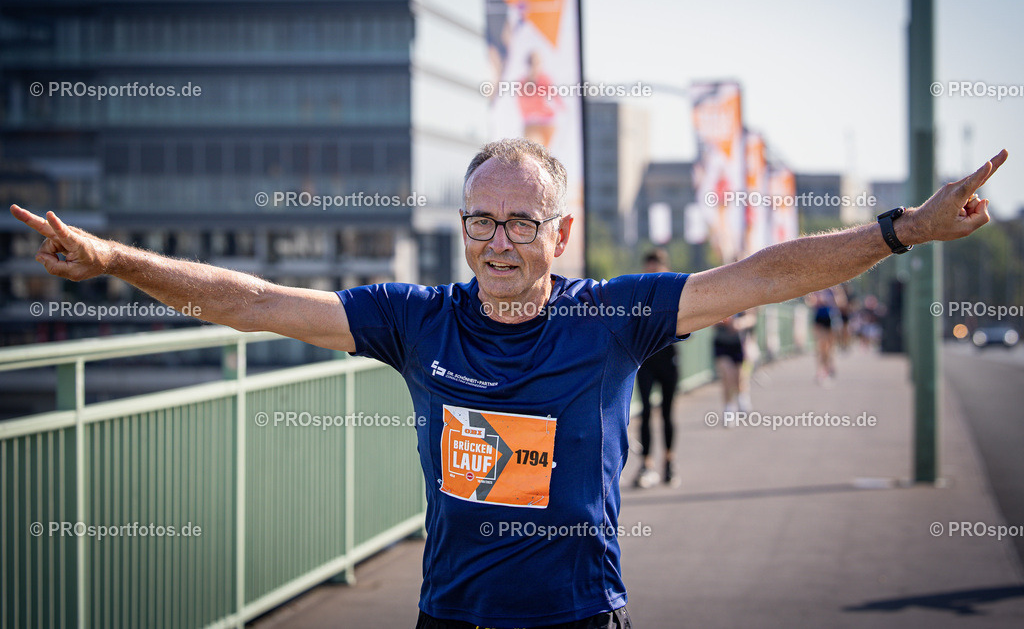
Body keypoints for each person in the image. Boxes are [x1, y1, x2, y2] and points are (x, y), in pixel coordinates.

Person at [10, 140, 1007, 628]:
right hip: (448, 615)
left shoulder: (610, 314)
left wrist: (900, 230)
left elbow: (760, 274)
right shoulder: (415, 317)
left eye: (521, 221)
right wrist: (113, 257)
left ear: (559, 234)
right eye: (480, 220)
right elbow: (257, 299)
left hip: (579, 615)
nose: (497, 239)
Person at [633, 248, 679, 488]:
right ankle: (646, 465)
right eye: (648, 273)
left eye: (657, 273)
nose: (652, 278)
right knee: (646, 413)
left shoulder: (675, 292)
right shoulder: (638, 293)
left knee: (668, 413)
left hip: (669, 359)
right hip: (646, 361)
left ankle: (669, 464)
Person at [713, 310, 757, 424]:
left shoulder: (743, 298)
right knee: (727, 376)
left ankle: (742, 397)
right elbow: (707, 320)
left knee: (740, 378)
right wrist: (722, 321)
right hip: (722, 343)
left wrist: (739, 323)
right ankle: (729, 408)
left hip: (739, 344)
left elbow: (752, 318)